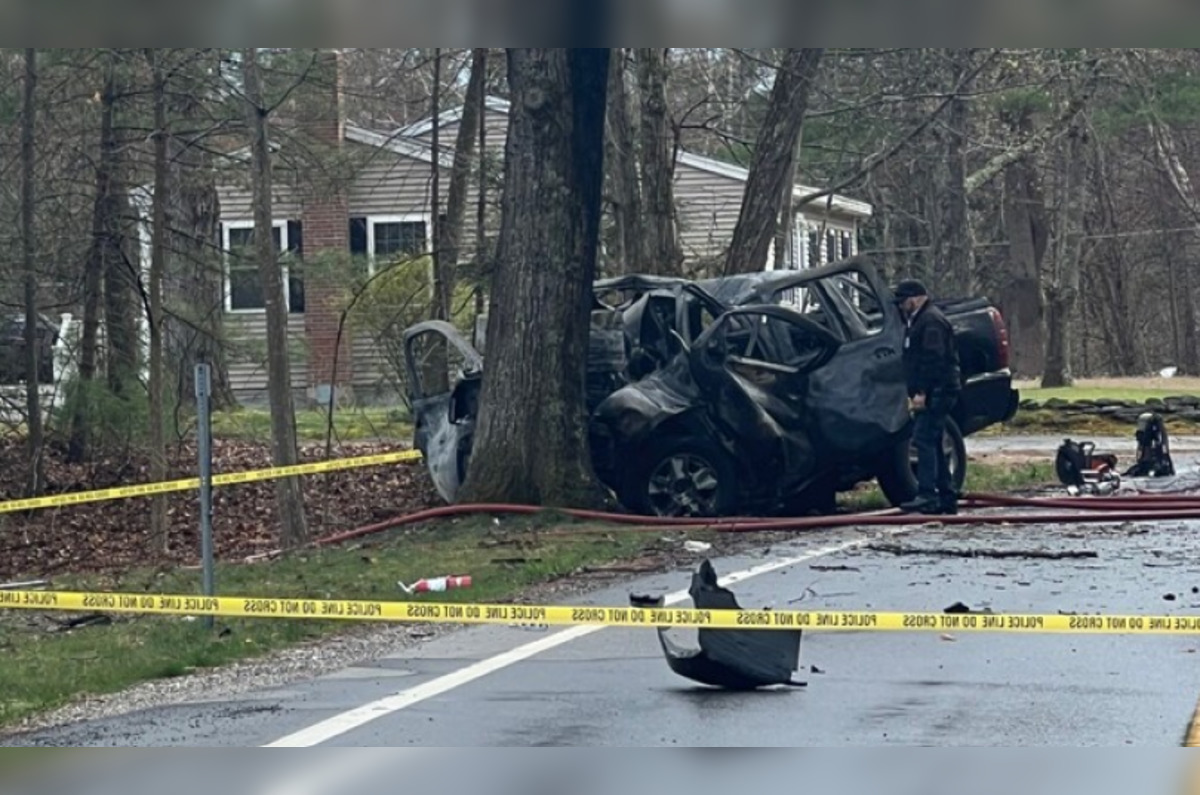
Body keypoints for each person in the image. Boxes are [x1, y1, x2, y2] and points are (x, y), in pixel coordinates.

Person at [892, 279, 962, 515]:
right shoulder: (920, 320)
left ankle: (927, 495)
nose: (902, 307)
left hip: (937, 390)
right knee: (932, 440)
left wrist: (922, 391)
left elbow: (933, 360)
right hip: (934, 390)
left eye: (903, 301)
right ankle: (946, 494)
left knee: (923, 439)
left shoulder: (930, 321)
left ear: (915, 298)